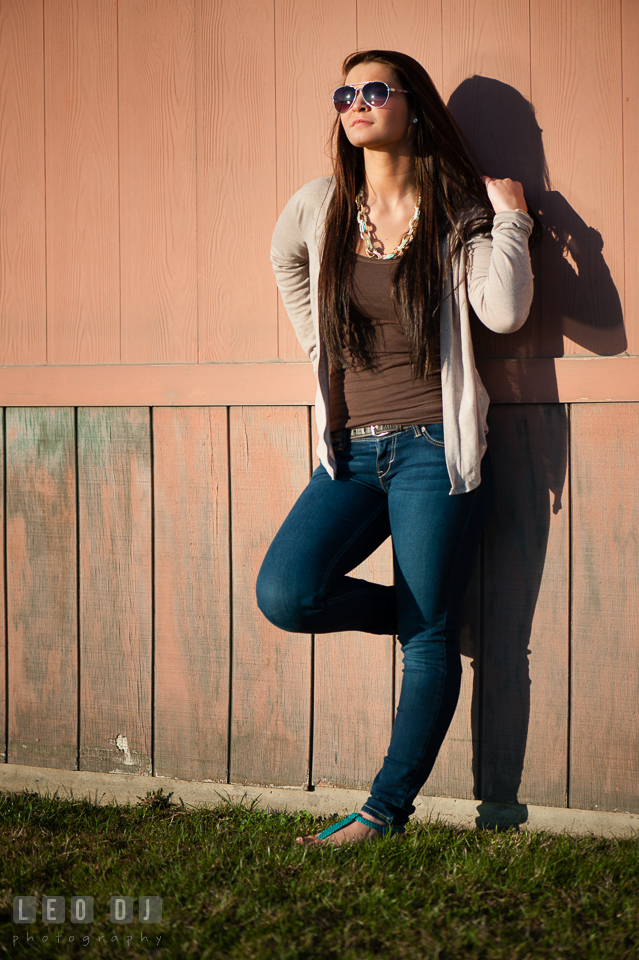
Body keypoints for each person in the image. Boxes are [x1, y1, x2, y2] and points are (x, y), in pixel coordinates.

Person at [256, 49, 535, 846]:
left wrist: (508, 216)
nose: (355, 102)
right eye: (344, 92)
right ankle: (427, 620)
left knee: (427, 638)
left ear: (411, 105)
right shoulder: (319, 207)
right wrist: (321, 347)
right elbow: (285, 264)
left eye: (374, 89)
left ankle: (382, 812)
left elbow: (504, 311)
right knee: (286, 593)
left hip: (431, 449)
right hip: (348, 454)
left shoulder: (454, 208)